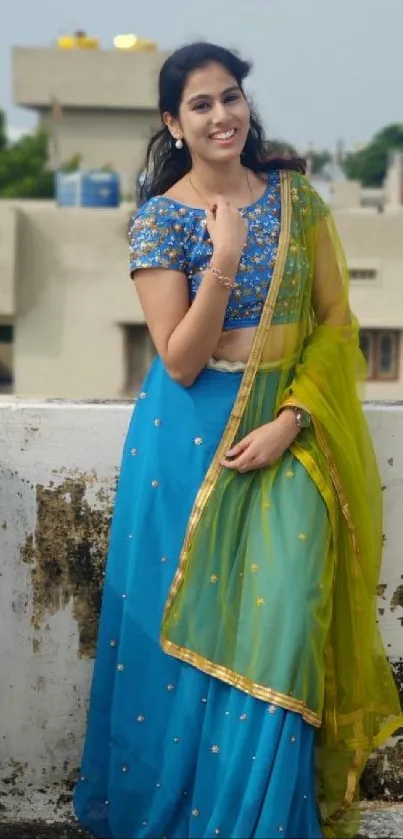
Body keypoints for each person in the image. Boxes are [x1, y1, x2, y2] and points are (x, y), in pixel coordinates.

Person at [74, 42, 402, 839]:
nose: (221, 115)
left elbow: (335, 326)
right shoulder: (160, 219)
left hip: (289, 427)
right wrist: (221, 258)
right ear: (172, 123)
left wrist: (291, 419)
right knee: (180, 643)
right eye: (200, 104)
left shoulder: (300, 202)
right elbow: (179, 360)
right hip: (191, 443)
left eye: (231, 97)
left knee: (284, 622)